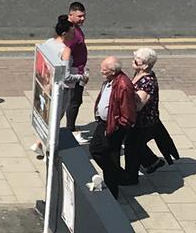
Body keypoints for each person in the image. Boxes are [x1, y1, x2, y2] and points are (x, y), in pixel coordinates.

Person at [29, 17, 83, 160]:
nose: (74, 35)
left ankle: (40, 143)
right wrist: (81, 78)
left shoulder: (48, 42)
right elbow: (66, 76)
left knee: (48, 117)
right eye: (72, 33)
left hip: (46, 86)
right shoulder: (66, 50)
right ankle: (47, 147)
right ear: (64, 34)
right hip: (60, 90)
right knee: (56, 118)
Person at [88, 56, 137, 199]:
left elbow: (127, 113)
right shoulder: (111, 80)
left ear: (113, 71)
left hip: (113, 126)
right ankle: (117, 176)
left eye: (104, 70)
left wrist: (117, 127)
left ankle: (113, 188)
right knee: (97, 150)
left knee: (109, 156)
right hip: (105, 122)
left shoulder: (123, 85)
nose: (101, 72)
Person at [126, 47, 180, 169]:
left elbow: (138, 105)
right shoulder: (139, 73)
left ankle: (133, 175)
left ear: (145, 66)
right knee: (133, 145)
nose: (134, 60)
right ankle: (151, 163)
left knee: (132, 146)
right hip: (140, 120)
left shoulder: (147, 82)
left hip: (143, 122)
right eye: (135, 57)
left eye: (137, 60)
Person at [63, 1, 88, 133]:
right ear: (70, 14)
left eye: (84, 16)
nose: (82, 19)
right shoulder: (71, 32)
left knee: (74, 100)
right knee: (74, 101)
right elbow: (66, 52)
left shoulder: (71, 27)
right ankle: (70, 129)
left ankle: (70, 126)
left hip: (78, 69)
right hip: (74, 72)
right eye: (79, 16)